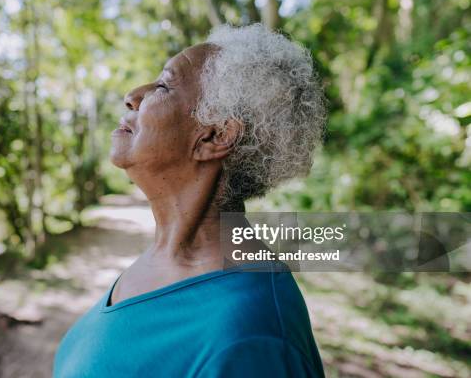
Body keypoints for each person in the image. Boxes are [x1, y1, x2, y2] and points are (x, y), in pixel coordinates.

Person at [53, 24, 326, 377]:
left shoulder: (251, 336)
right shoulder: (163, 257)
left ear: (214, 136)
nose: (133, 95)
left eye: (164, 85)